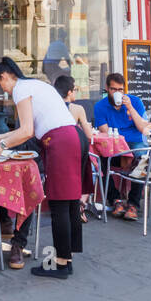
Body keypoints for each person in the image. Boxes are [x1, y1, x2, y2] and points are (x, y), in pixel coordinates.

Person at [0, 58, 82, 278]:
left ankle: (59, 266)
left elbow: (27, 130)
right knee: (69, 203)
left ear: (6, 76)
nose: (2, 87)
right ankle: (66, 260)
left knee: (59, 203)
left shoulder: (20, 90)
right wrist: (2, 136)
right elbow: (28, 128)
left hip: (59, 141)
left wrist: (1, 145)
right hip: (71, 138)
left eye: (0, 82)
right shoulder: (35, 85)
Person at [92, 72, 151, 220]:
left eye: (121, 90)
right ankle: (115, 200)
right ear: (107, 89)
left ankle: (133, 204)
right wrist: (120, 143)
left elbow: (142, 128)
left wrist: (130, 108)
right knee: (101, 160)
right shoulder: (100, 106)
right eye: (114, 89)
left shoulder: (135, 102)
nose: (118, 93)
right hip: (115, 145)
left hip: (135, 142)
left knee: (142, 158)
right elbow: (105, 132)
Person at [55, 75, 96, 222]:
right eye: (75, 90)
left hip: (55, 157)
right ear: (70, 92)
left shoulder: (51, 108)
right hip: (75, 155)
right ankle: (81, 203)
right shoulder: (77, 109)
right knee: (93, 169)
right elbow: (89, 136)